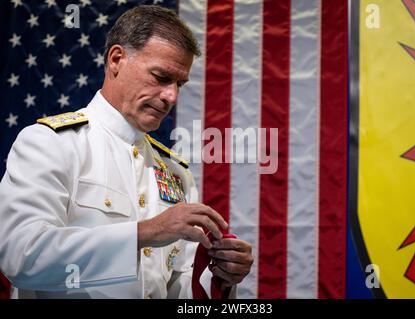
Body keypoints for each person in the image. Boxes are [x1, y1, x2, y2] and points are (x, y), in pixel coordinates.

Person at [0, 5, 253, 299]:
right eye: (160, 77)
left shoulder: (176, 172)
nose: (172, 96)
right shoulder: (51, 142)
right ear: (117, 59)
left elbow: (177, 287)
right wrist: (145, 233)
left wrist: (218, 275)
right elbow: (20, 255)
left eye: (179, 84)